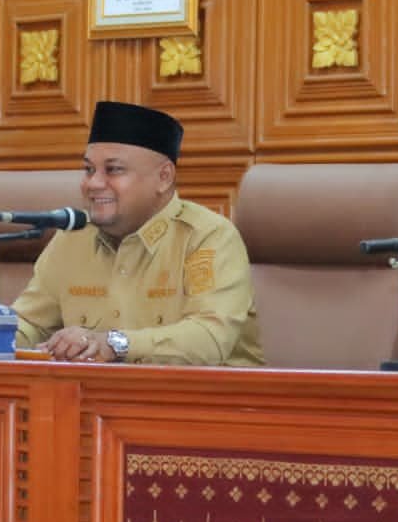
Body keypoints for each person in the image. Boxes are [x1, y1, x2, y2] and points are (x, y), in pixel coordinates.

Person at [13, 101, 263, 366]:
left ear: (164, 177)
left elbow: (209, 338)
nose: (93, 183)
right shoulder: (73, 237)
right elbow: (30, 323)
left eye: (113, 170)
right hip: (91, 391)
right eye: (89, 170)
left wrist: (114, 344)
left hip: (205, 392)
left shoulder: (207, 237)